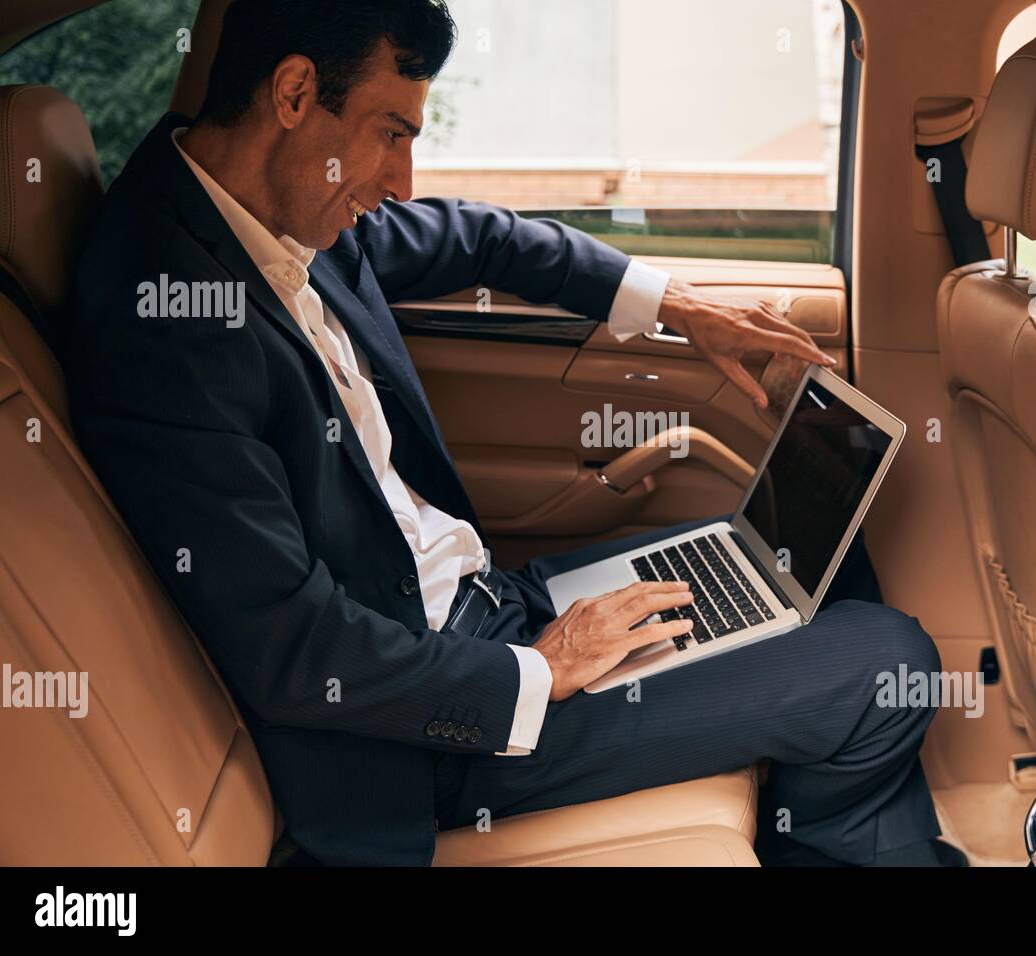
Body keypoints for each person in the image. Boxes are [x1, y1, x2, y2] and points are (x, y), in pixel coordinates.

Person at [69, 0, 957, 866]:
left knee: (815, 567)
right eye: (392, 133)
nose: (400, 184)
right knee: (886, 661)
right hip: (423, 737)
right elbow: (294, 649)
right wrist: (541, 669)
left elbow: (484, 241)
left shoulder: (279, 205)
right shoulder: (165, 316)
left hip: (485, 606)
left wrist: (683, 310)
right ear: (295, 94)